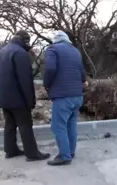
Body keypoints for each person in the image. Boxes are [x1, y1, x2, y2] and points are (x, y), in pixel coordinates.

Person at [0, 30, 50, 161]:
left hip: (4, 96)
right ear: (25, 41)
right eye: (28, 42)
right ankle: (32, 154)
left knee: (9, 124)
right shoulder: (20, 54)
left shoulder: (2, 51)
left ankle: (10, 150)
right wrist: (30, 101)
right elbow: (25, 80)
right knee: (25, 125)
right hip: (18, 98)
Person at [44, 30, 88, 166]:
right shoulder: (75, 51)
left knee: (58, 126)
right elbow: (82, 72)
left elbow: (50, 69)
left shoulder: (52, 49)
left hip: (63, 96)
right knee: (71, 124)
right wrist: (83, 81)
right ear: (67, 39)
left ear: (55, 40)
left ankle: (64, 155)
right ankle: (70, 151)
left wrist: (47, 84)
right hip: (77, 96)